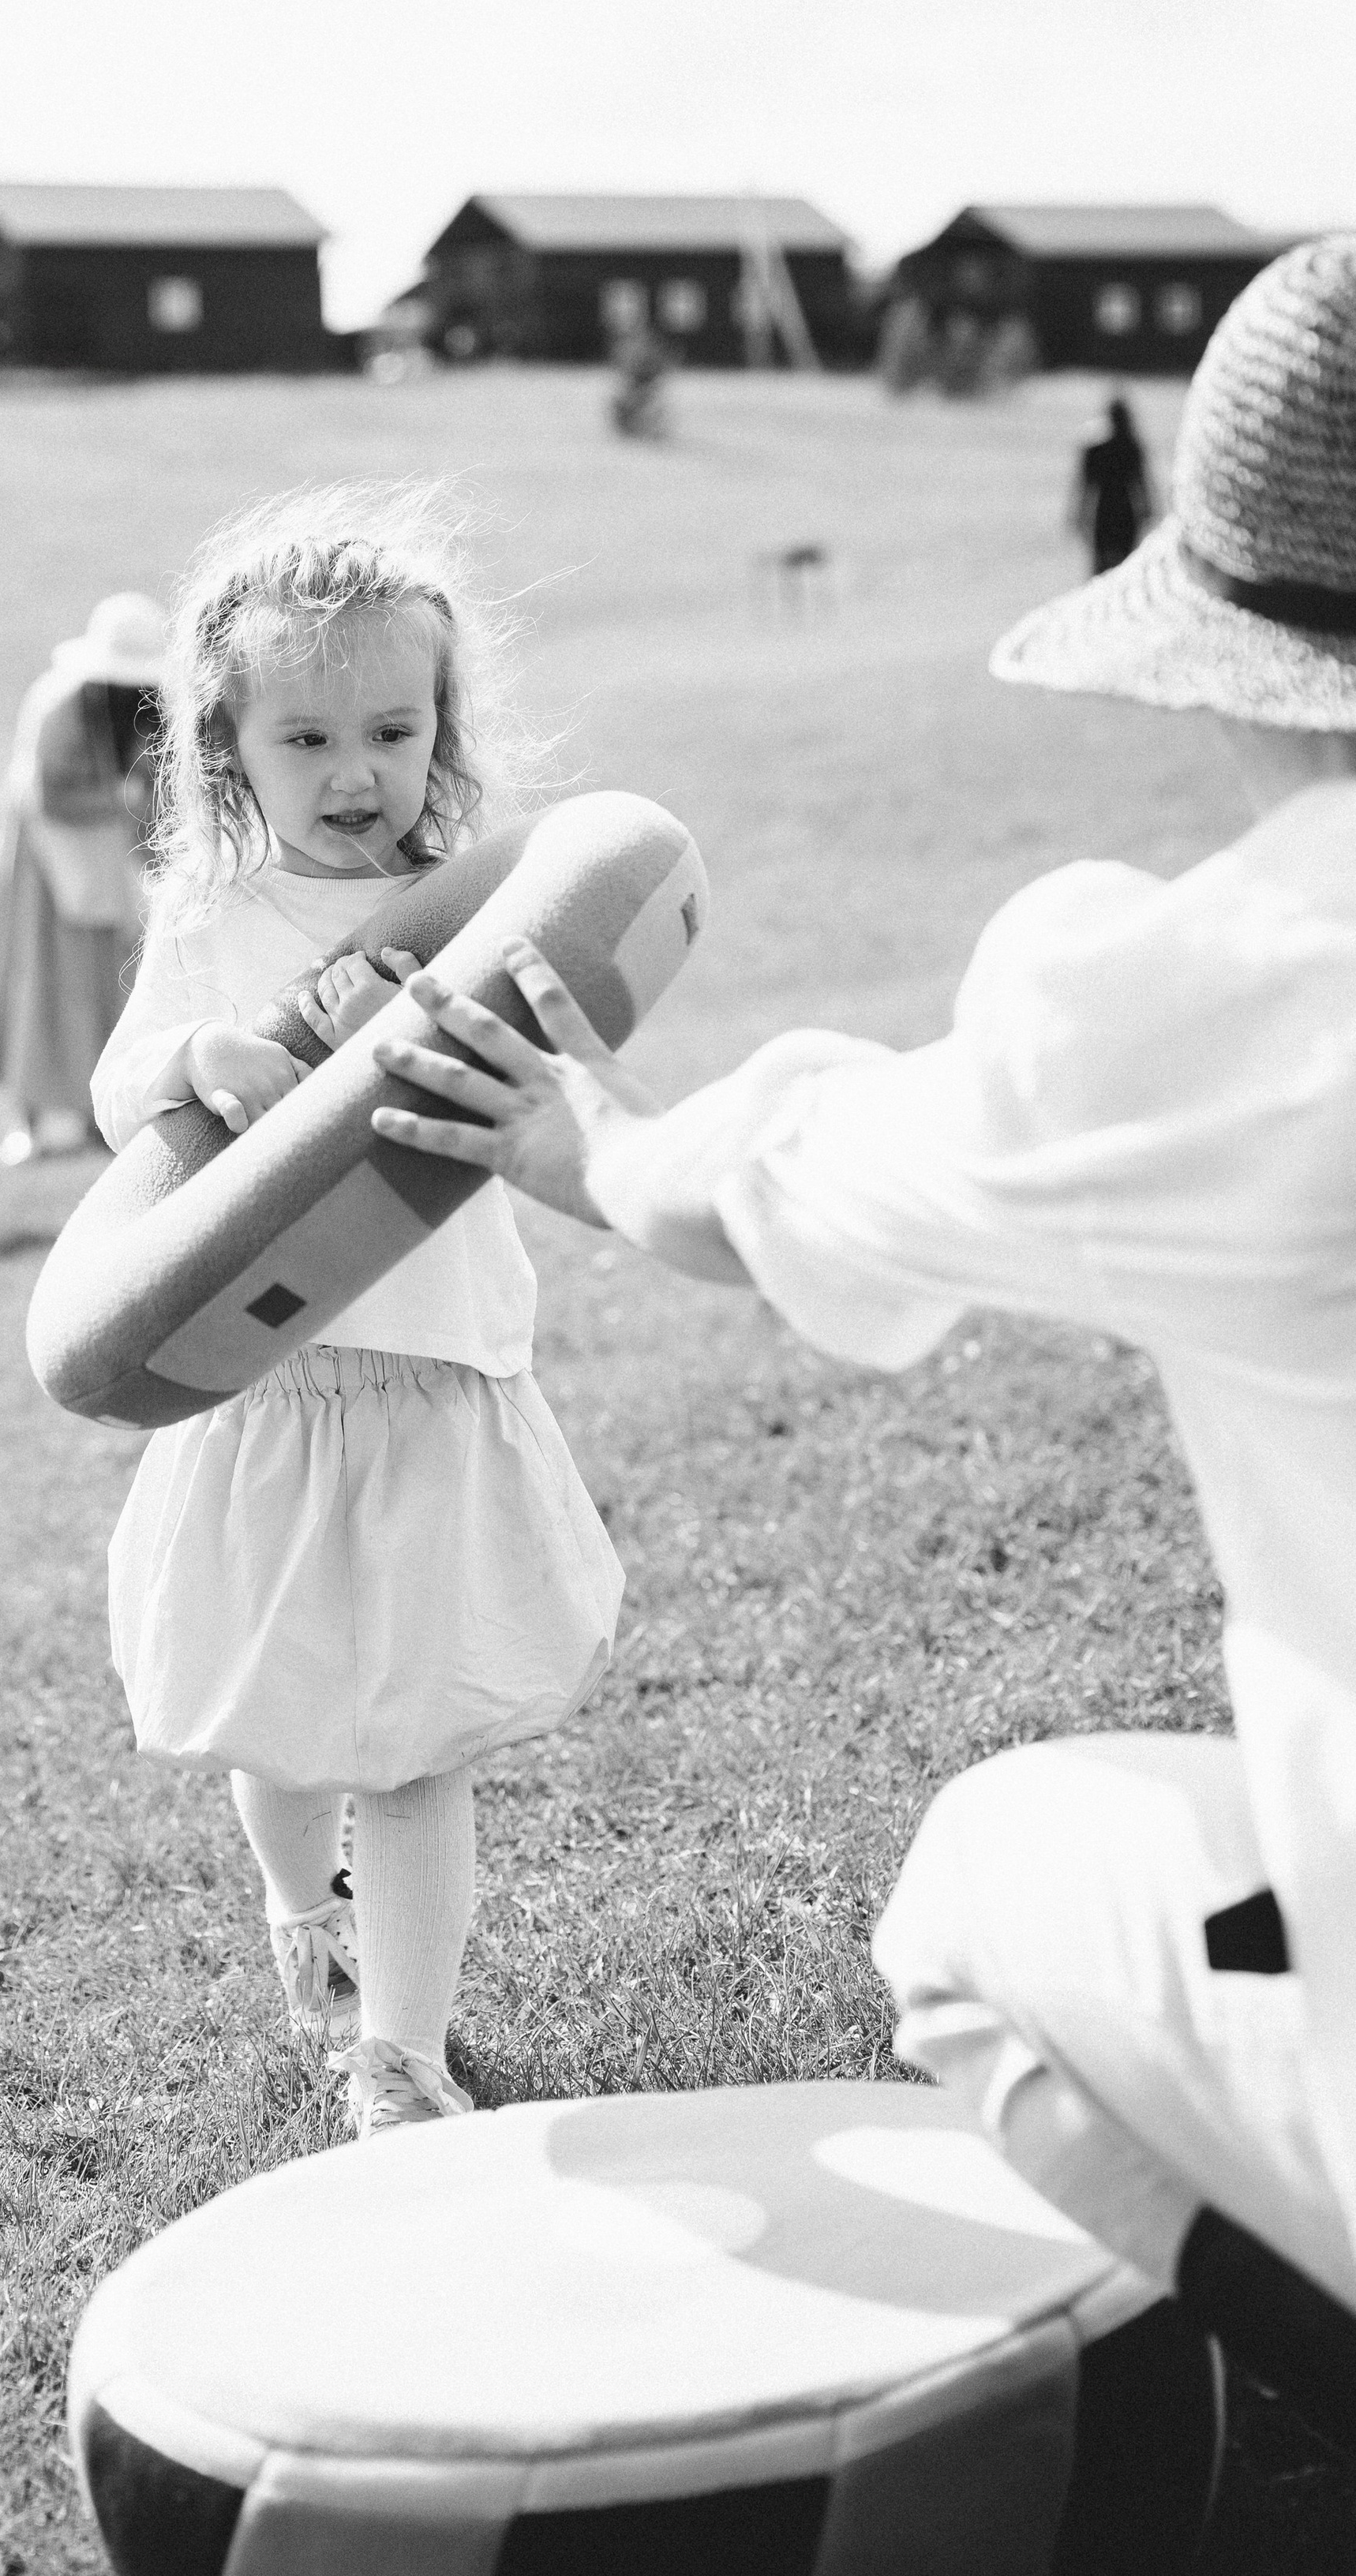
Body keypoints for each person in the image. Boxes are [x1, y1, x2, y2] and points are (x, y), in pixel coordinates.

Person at [368, 237, 1356, 2433]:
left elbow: (765, 1186)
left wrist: (578, 1137)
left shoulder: (1217, 1001)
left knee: (982, 1890)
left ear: (1235, 660)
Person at [89, 484, 622, 2140]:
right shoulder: (216, 919)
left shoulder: (476, 904)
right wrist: (200, 1057)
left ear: (439, 728)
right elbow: (118, 1092)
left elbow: (556, 1065)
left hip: (436, 1370)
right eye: (306, 738)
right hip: (278, 1382)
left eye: (391, 731)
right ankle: (294, 1906)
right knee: (290, 1724)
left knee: (413, 1741)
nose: (353, 773)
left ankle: (400, 2054)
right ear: (227, 748)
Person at [0, 593, 167, 1165]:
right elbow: (51, 797)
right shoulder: (60, 704)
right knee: (41, 978)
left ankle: (101, 1110)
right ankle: (38, 1116)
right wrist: (121, 803)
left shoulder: (144, 709)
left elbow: (152, 791)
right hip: (44, 862)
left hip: (105, 861)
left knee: (110, 977)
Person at [1070, 391, 1152, 575]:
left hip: (1104, 513)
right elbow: (1143, 485)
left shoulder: (1095, 449)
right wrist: (1148, 511)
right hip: (1125, 514)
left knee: (1102, 571)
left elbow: (1085, 487)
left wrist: (1078, 516)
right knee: (1124, 571)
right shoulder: (1131, 447)